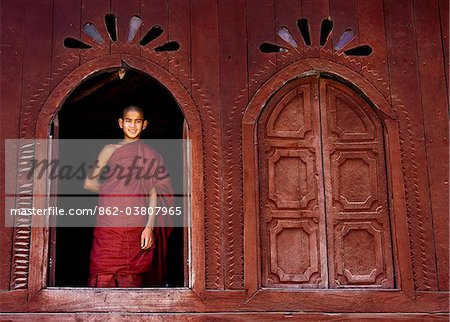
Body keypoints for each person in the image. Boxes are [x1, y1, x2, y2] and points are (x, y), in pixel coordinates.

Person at [84, 105, 173, 287]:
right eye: (129, 121)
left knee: (133, 276)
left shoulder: (149, 154)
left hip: (137, 223)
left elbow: (153, 191)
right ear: (121, 123)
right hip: (110, 221)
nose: (133, 126)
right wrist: (116, 191)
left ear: (144, 125)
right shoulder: (110, 149)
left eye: (137, 121)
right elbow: (89, 182)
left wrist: (149, 227)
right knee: (103, 264)